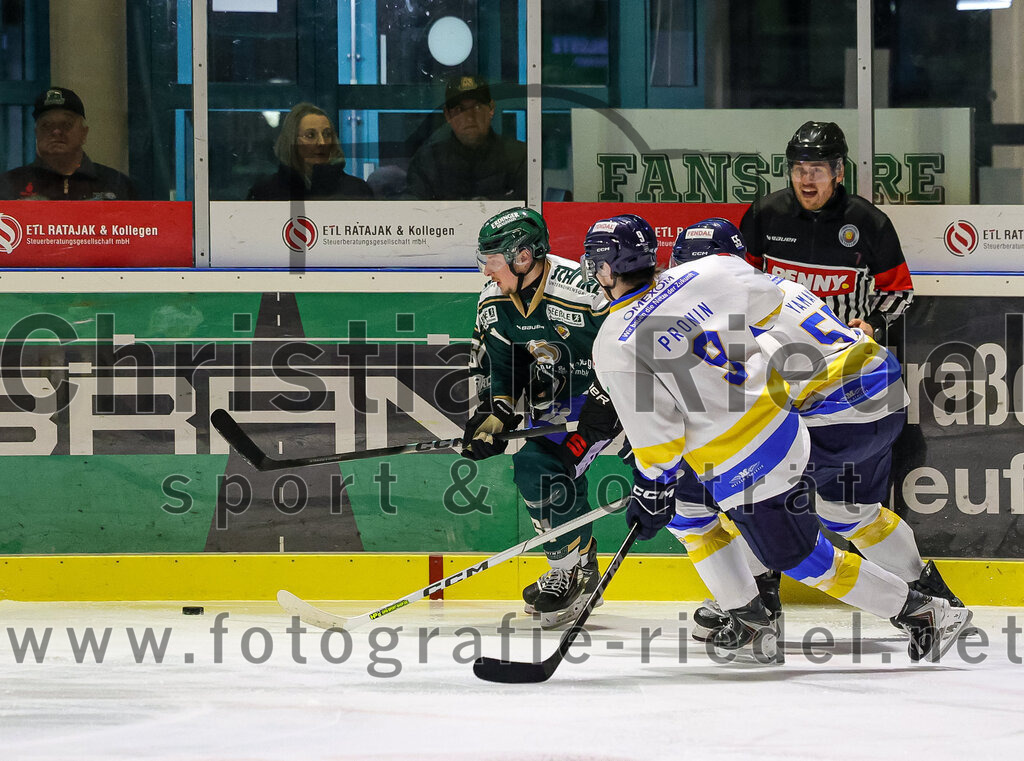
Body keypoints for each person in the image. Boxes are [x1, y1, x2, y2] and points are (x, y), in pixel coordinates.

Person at [582, 213, 972, 664]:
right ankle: (753, 612)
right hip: (808, 421)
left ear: (606, 268)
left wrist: (652, 487)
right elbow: (764, 314)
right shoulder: (712, 274)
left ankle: (919, 612)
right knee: (839, 513)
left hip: (765, 450)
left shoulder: (613, 341)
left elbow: (660, 436)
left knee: (793, 553)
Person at [462, 206, 621, 628]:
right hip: (562, 405)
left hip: (623, 400)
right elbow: (503, 364)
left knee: (685, 487)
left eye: (493, 261)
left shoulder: (586, 290)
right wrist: (496, 411)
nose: (487, 272)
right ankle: (575, 565)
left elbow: (634, 347)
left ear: (523, 256)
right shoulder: (494, 300)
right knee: (543, 471)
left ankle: (751, 580)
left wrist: (606, 402)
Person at [739, 121, 912, 344]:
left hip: (844, 350)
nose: (806, 180)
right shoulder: (764, 213)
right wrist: (739, 343)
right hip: (774, 347)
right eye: (799, 170)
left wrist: (873, 324)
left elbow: (898, 291)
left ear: (838, 172)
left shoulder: (869, 221)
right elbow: (740, 282)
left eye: (816, 171)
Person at [0, 87, 137, 200]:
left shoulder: (115, 185)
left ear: (84, 133)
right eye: (46, 125)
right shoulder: (9, 185)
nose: (56, 131)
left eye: (66, 124)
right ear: (36, 133)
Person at [404, 75, 527, 201]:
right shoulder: (428, 162)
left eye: (477, 107)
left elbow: (531, 207)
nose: (469, 117)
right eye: (460, 109)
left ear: (491, 109)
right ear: (448, 115)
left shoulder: (519, 156)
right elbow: (413, 207)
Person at [246, 103, 373, 201]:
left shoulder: (356, 190)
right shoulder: (265, 191)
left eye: (327, 134)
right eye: (310, 135)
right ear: (291, 140)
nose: (322, 142)